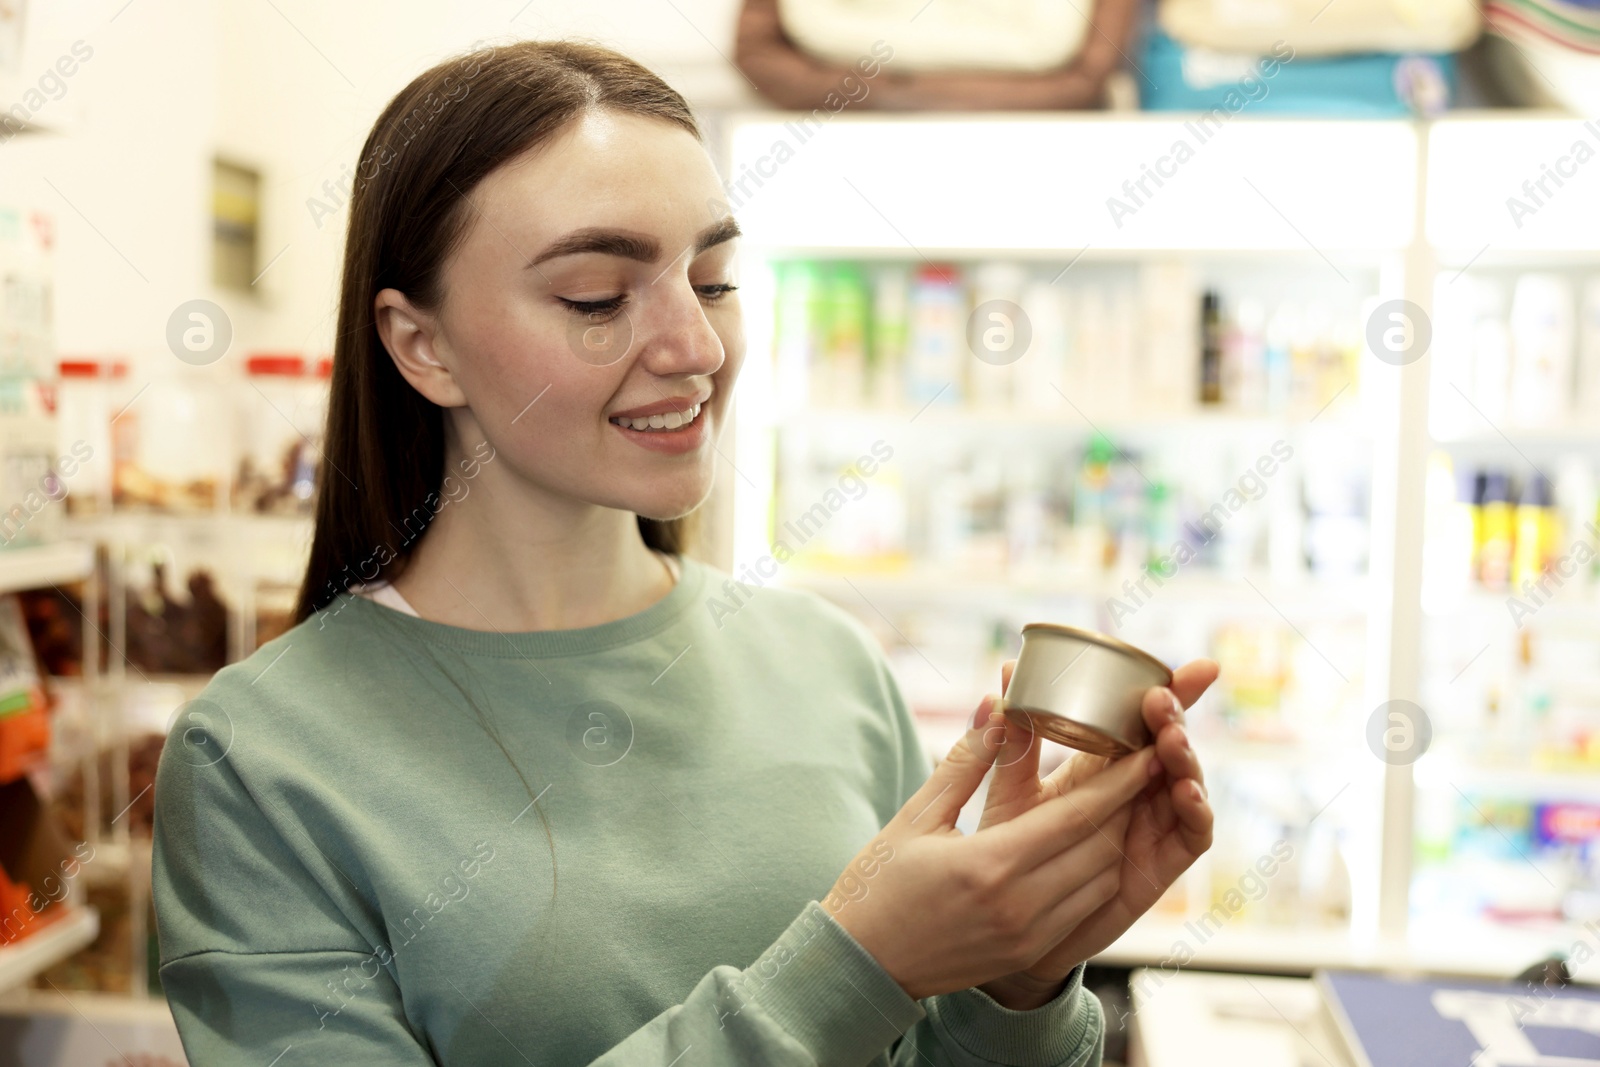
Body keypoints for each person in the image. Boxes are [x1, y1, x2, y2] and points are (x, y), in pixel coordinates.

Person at [151, 39, 1217, 1066]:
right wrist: (858, 963)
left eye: (711, 279)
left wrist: (1018, 973)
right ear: (421, 344)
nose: (696, 348)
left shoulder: (824, 664)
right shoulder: (261, 759)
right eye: (596, 298)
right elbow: (848, 986)